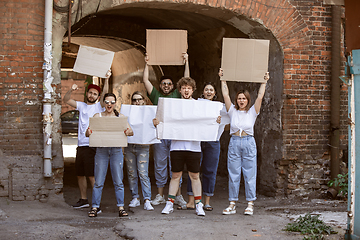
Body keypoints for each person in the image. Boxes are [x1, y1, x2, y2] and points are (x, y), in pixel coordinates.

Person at [155, 77, 221, 216]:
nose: (186, 90)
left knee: (195, 176)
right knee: (175, 175)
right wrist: (157, 122)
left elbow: (209, 118)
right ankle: (169, 204)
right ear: (180, 90)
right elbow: (161, 119)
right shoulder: (173, 105)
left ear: (193, 90)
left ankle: (198, 205)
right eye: (184, 88)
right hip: (176, 146)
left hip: (194, 147)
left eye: (189, 88)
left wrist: (216, 120)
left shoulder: (199, 105)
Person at [220, 69, 269, 216]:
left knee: (250, 173)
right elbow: (225, 94)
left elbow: (260, 97)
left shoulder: (252, 112)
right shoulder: (232, 111)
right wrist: (223, 78)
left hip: (248, 142)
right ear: (237, 100)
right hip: (234, 142)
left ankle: (250, 204)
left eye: (244, 98)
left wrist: (264, 81)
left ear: (248, 100)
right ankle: (232, 203)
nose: (241, 101)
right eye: (239, 98)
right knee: (233, 173)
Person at [142, 53, 189, 208]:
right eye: (164, 84)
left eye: (169, 83)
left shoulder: (177, 94)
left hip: (175, 135)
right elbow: (145, 80)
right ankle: (160, 195)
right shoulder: (155, 95)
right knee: (160, 165)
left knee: (176, 167)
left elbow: (186, 80)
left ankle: (178, 195)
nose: (167, 85)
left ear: (173, 86)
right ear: (160, 85)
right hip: (160, 136)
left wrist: (186, 61)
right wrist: (147, 63)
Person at [63, 71, 110, 209]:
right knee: (80, 174)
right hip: (81, 145)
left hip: (92, 145)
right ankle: (83, 200)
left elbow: (106, 94)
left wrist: (106, 79)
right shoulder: (82, 106)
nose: (91, 95)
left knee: (91, 176)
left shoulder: (99, 106)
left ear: (98, 97)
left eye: (95, 94)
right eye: (90, 93)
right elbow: (66, 100)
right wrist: (70, 90)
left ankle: (96, 203)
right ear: (87, 93)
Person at [86, 93, 134, 217]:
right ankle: (95, 207)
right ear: (103, 103)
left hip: (116, 151)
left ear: (115, 103)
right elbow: (88, 133)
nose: (109, 104)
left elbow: (131, 132)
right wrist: (89, 131)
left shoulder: (120, 117)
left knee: (118, 181)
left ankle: (121, 207)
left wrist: (128, 131)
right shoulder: (98, 116)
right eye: (107, 102)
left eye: (112, 102)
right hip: (101, 151)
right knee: (98, 181)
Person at [183, 82, 221, 211]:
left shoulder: (220, 107)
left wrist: (221, 122)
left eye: (211, 90)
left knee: (210, 171)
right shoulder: (196, 103)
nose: (209, 92)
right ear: (202, 92)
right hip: (197, 140)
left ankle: (207, 201)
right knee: (193, 170)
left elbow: (227, 126)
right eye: (206, 90)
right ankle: (191, 201)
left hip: (213, 140)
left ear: (215, 93)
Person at [124, 91, 154, 211]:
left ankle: (147, 199)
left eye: (139, 99)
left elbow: (154, 126)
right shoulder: (127, 112)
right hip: (129, 146)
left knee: (143, 173)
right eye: (134, 100)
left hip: (143, 146)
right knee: (131, 173)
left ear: (144, 100)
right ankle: (135, 197)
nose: (137, 102)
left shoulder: (149, 112)